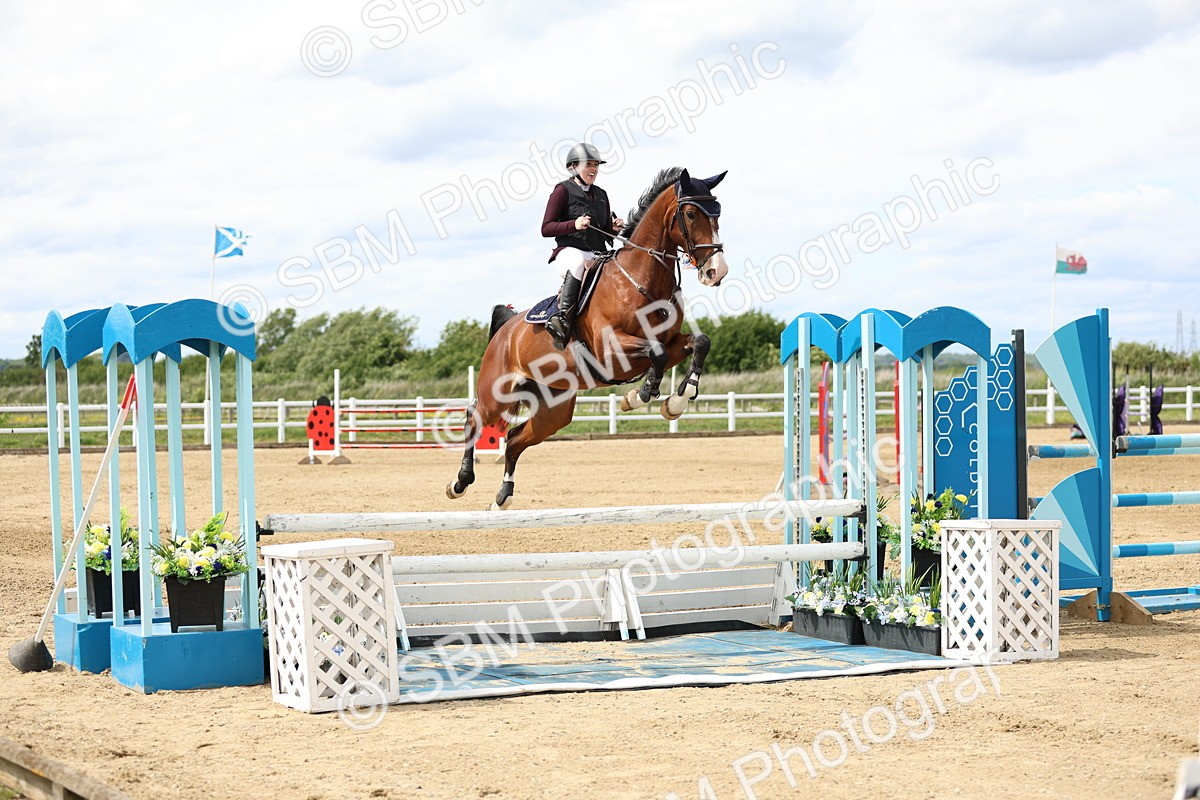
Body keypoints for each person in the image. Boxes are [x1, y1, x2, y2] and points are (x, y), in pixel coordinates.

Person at [540, 142, 624, 350]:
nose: (593, 169)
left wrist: (614, 229)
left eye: (596, 165)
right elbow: (546, 228)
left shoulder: (602, 194)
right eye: (589, 164)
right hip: (569, 252)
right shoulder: (562, 191)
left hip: (597, 254)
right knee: (578, 263)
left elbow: (604, 230)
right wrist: (573, 224)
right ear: (574, 167)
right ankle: (563, 320)